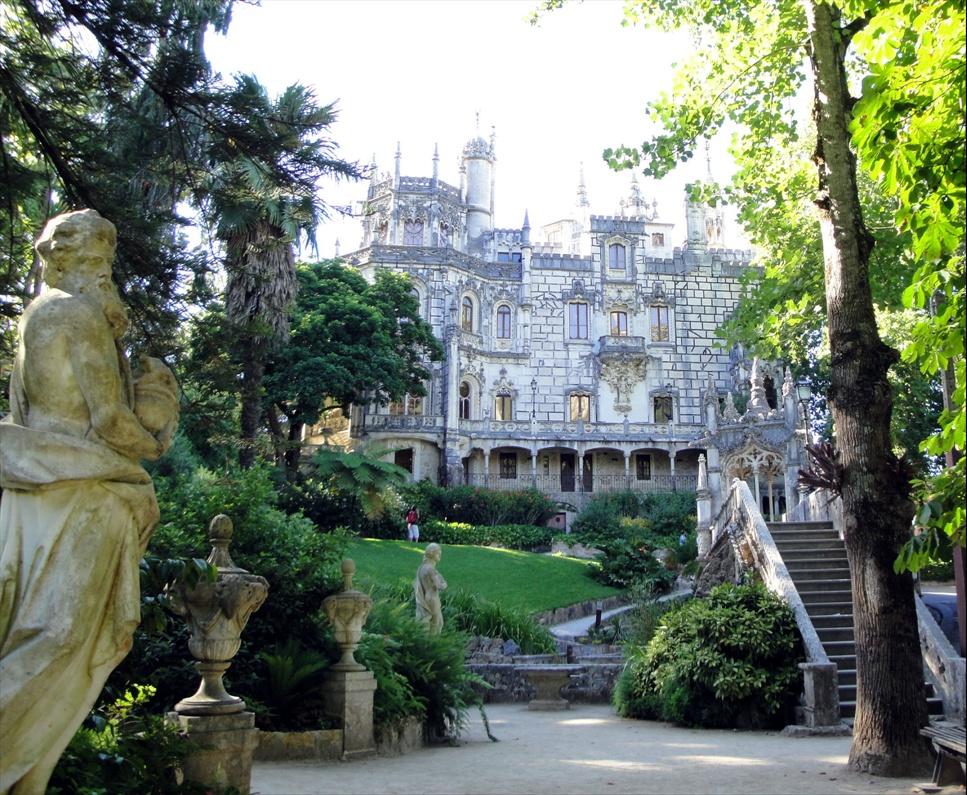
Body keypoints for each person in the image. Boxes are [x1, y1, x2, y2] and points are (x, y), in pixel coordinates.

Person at [0, 210, 178, 794]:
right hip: (83, 488)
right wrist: (157, 435)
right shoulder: (77, 315)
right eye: (101, 262)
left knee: (34, 629)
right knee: (59, 637)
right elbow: (109, 419)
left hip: (36, 485)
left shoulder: (37, 315)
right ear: (72, 259)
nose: (107, 274)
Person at [414, 543, 447, 633]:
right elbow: (439, 586)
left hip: (425, 597)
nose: (440, 555)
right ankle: (433, 644)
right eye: (438, 553)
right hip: (432, 598)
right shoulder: (431, 570)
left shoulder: (422, 568)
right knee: (437, 623)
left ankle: (428, 642)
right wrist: (444, 584)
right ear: (432, 553)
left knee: (431, 623)